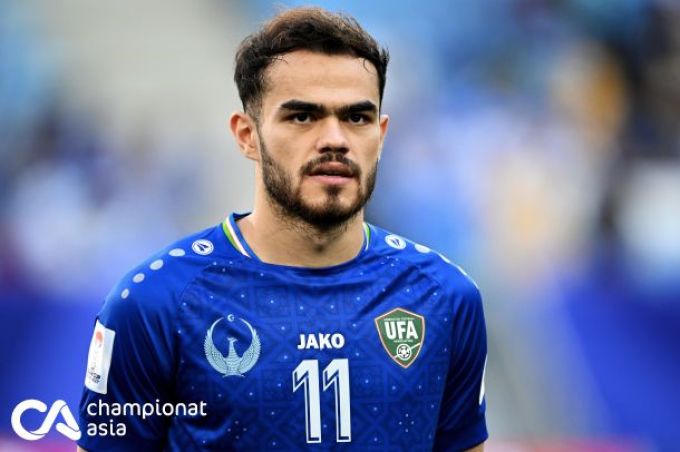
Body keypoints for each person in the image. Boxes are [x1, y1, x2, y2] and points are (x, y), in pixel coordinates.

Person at [77, 6, 488, 451]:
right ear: (247, 135)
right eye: (302, 116)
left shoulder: (445, 297)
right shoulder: (155, 303)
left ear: (382, 134)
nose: (335, 139)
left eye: (357, 117)